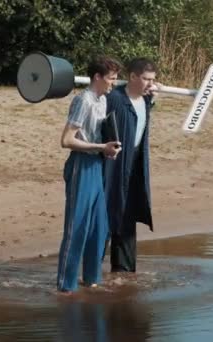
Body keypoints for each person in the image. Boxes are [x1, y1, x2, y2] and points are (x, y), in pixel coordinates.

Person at [56, 56, 122, 294]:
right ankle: (66, 286)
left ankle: (92, 280)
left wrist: (108, 149)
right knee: (78, 226)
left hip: (96, 165)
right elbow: (66, 140)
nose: (113, 84)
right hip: (80, 166)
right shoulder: (82, 100)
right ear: (97, 77)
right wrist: (99, 147)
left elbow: (96, 135)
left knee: (99, 227)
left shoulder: (103, 100)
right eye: (111, 79)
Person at [104, 58, 158, 272]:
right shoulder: (115, 98)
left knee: (128, 214)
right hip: (113, 164)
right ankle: (92, 272)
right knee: (109, 212)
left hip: (136, 164)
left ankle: (124, 270)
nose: (150, 84)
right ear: (133, 76)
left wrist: (152, 100)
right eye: (146, 79)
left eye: (152, 80)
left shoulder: (145, 101)